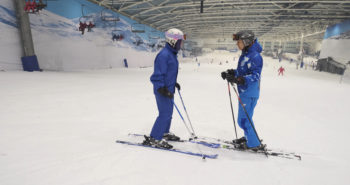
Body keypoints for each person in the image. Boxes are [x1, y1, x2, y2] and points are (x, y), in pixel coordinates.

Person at [221, 30, 264, 151]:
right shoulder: (245, 54)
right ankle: (249, 138)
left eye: (239, 42)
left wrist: (240, 80)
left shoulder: (255, 56)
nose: (237, 44)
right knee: (244, 119)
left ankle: (254, 144)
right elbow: (243, 72)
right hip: (245, 91)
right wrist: (232, 73)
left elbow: (256, 75)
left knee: (244, 120)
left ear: (246, 41)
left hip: (250, 92)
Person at [142, 28, 186, 149]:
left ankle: (164, 132)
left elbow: (168, 73)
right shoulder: (164, 55)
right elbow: (157, 75)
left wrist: (173, 83)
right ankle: (155, 138)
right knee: (164, 114)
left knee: (169, 113)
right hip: (162, 90)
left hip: (169, 89)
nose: (181, 44)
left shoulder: (171, 54)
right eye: (180, 42)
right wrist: (161, 88)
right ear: (173, 41)